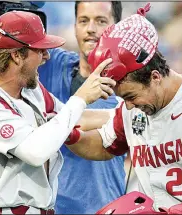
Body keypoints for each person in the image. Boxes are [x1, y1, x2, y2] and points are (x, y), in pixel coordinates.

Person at [65, 3, 182, 214]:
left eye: (131, 96)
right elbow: (103, 146)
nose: (127, 105)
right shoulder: (132, 110)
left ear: (155, 77)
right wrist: (67, 135)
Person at [0, 11, 116, 214]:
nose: (47, 56)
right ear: (16, 55)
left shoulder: (30, 88)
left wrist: (130, 115)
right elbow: (34, 152)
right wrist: (80, 98)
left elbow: (75, 118)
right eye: (40, 50)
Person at [37, 2, 127, 214]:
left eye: (101, 21)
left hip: (103, 208)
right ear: (75, 26)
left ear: (118, 28)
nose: (91, 29)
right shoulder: (53, 64)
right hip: (48, 209)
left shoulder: (128, 88)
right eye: (83, 21)